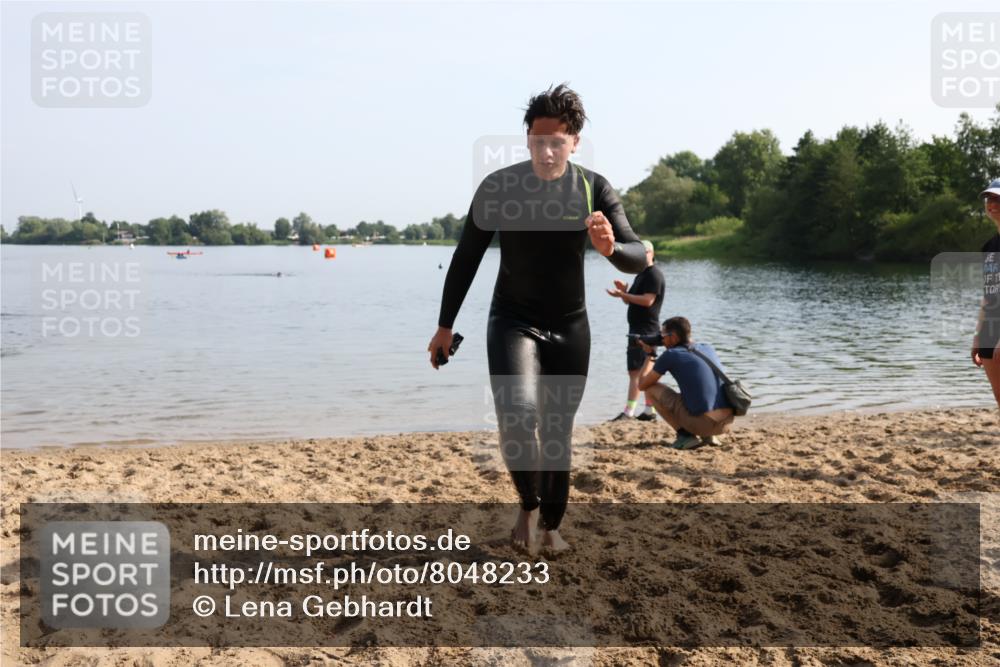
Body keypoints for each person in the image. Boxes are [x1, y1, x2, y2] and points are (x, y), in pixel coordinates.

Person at [427, 84, 647, 553]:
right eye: (538, 140)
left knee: (556, 431)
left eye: (557, 141)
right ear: (527, 138)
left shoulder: (594, 188)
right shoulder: (500, 187)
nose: (547, 151)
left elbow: (636, 255)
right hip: (512, 319)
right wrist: (445, 325)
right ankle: (528, 505)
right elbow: (466, 258)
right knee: (517, 415)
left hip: (570, 324)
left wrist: (609, 248)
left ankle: (551, 526)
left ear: (575, 142)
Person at [637, 316, 735, 450]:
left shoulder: (671, 355)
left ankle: (685, 436)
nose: (661, 339)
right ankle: (709, 437)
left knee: (651, 389)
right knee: (696, 392)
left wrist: (650, 355)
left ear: (674, 336)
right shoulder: (707, 348)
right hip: (727, 423)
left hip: (704, 424)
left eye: (663, 335)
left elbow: (642, 385)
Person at [606, 239, 665, 421]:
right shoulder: (641, 274)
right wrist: (625, 292)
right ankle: (649, 410)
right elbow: (632, 300)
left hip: (645, 330)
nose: (641, 256)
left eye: (644, 253)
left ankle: (629, 412)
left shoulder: (654, 274)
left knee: (637, 373)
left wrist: (624, 294)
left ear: (651, 253)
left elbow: (648, 301)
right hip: (637, 328)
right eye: (639, 253)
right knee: (640, 372)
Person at [973, 178, 1000, 411]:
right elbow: (988, 295)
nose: (992, 203)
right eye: (988, 198)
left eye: (998, 198)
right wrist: (977, 337)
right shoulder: (989, 247)